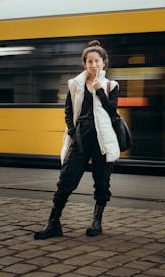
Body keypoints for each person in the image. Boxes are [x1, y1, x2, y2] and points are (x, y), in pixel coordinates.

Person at [34, 40, 120, 240]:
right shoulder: (74, 85)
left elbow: (112, 110)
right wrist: (73, 132)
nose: (93, 65)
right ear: (85, 64)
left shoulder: (111, 85)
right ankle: (53, 223)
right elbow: (68, 111)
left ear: (103, 63)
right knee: (65, 181)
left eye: (97, 61)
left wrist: (99, 90)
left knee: (101, 183)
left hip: (102, 141)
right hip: (80, 138)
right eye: (90, 61)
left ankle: (96, 222)